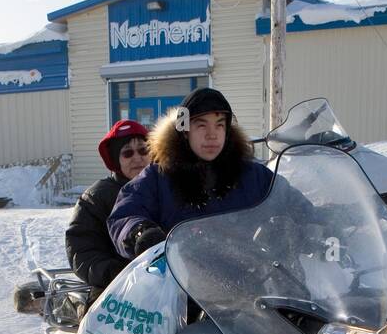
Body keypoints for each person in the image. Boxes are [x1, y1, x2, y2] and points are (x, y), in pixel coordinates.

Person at [107, 87, 274, 260]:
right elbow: (124, 215)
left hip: (249, 278)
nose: (212, 135)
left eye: (219, 125)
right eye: (201, 125)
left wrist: (285, 227)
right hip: (180, 281)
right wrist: (140, 232)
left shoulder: (253, 175)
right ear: (185, 131)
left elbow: (294, 207)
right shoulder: (158, 177)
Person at [64, 119, 150, 334]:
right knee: (105, 318)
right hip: (116, 281)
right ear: (115, 160)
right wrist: (112, 271)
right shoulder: (98, 196)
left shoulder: (166, 189)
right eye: (128, 153)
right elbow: (80, 245)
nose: (137, 158)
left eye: (143, 150)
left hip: (165, 280)